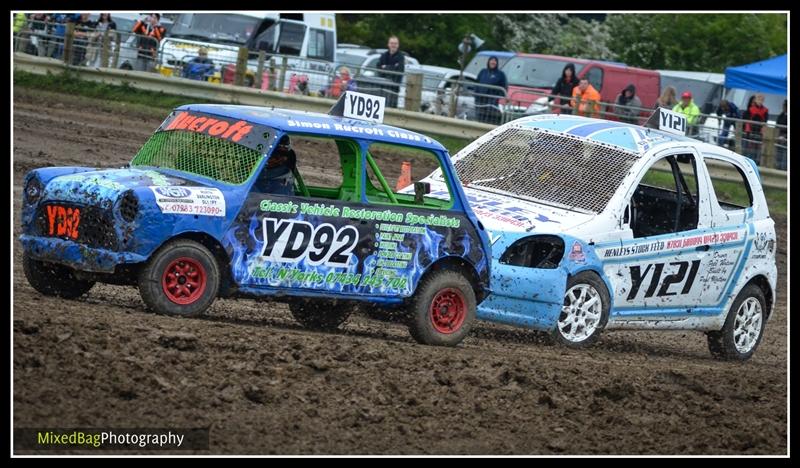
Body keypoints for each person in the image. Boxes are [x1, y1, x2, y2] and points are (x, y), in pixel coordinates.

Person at [474, 55, 508, 125]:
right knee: (479, 118)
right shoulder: (483, 71)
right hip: (480, 100)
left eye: (495, 61)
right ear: (488, 62)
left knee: (490, 119)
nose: (493, 62)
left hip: (492, 102)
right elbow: (476, 83)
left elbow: (504, 87)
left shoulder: (500, 74)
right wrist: (476, 94)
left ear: (497, 63)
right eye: (491, 60)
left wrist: (497, 96)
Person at [377, 35, 405, 108]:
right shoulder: (384, 55)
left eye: (395, 43)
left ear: (398, 45)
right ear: (388, 44)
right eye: (392, 43)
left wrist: (385, 67)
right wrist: (393, 67)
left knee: (391, 107)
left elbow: (399, 69)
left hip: (393, 87)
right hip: (382, 86)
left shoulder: (401, 57)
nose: (393, 45)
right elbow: (378, 67)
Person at [742, 94, 769, 164]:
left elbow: (765, 120)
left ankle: (756, 162)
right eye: (758, 99)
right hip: (751, 132)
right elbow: (747, 119)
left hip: (759, 132)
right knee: (749, 149)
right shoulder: (750, 109)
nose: (760, 100)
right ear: (756, 100)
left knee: (757, 149)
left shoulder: (765, 110)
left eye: (761, 99)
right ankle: (747, 162)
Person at [775, 99, 787, 170]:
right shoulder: (781, 115)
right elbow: (777, 125)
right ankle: (779, 167)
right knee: (779, 155)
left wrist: (785, 136)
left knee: (785, 156)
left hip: (785, 138)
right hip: (779, 138)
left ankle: (783, 168)